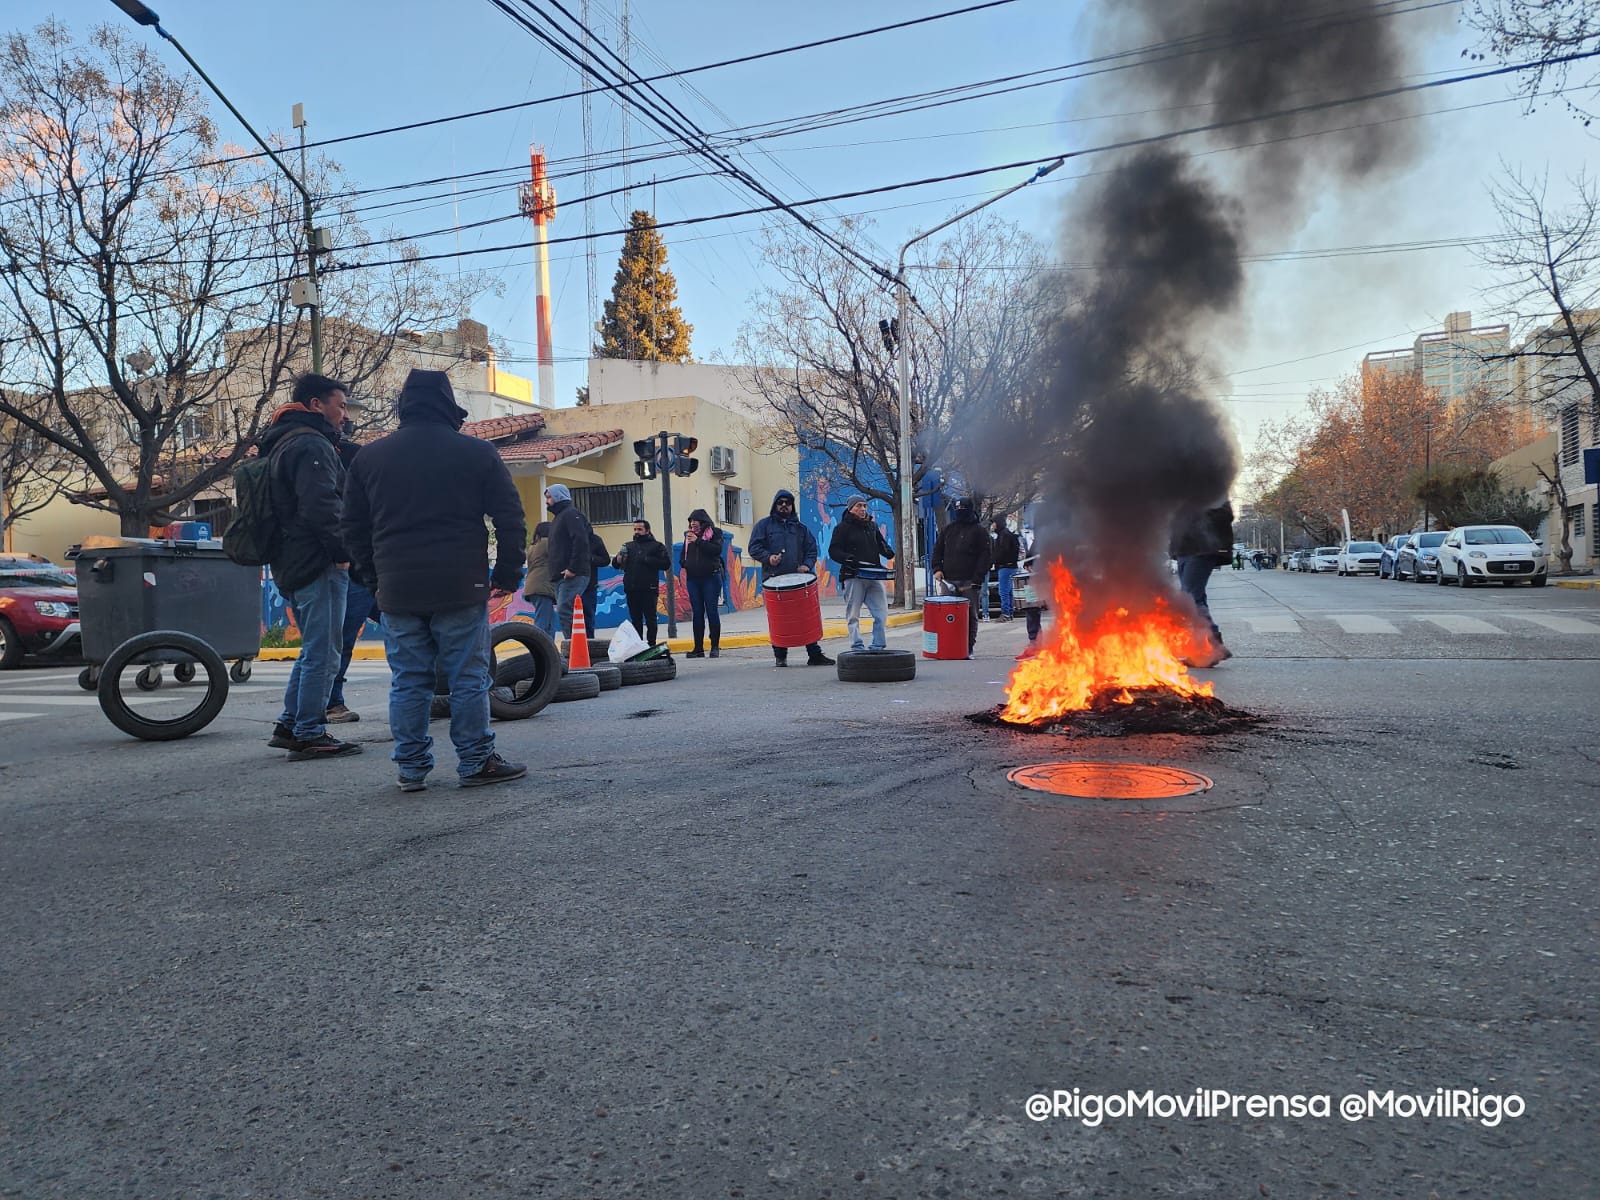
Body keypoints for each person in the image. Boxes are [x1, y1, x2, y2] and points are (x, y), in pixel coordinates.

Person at [342, 369, 528, 790]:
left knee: (409, 680)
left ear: (403, 405)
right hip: (460, 584)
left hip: (398, 587)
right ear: (448, 405)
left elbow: (351, 528)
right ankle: (476, 761)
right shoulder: (477, 454)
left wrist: (374, 578)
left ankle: (410, 769)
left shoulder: (369, 458)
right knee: (468, 678)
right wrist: (508, 572)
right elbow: (510, 518)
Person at [263, 373, 362, 761]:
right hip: (316, 560)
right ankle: (309, 732)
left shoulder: (280, 441)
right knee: (325, 652)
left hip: (291, 559)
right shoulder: (311, 444)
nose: (344, 415)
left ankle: (290, 723)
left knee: (312, 649)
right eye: (340, 405)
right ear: (316, 405)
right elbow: (322, 506)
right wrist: (342, 552)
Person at [747, 489, 833, 667]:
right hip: (774, 580)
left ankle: (814, 654)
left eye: (788, 502)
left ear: (792, 506)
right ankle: (780, 656)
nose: (784, 505)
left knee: (805, 617)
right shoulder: (764, 526)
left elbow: (811, 550)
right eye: (781, 502)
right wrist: (768, 557)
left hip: (799, 581)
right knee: (778, 619)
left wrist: (806, 566)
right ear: (775, 505)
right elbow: (754, 547)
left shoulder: (800, 529)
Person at [326, 427, 376, 724]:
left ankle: (430, 690)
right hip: (356, 576)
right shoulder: (342, 494)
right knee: (341, 641)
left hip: (370, 574)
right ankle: (333, 703)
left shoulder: (356, 492)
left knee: (414, 631)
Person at [1169, 499, 1235, 668]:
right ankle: (1204, 649)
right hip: (1184, 550)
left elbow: (1225, 516)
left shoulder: (1210, 490)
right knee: (1193, 597)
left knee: (1190, 599)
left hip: (1202, 550)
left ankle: (1213, 646)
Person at [827, 494, 894, 652]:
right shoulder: (842, 528)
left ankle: (878, 645)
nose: (863, 509)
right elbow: (833, 550)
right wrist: (847, 558)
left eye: (864, 506)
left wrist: (888, 552)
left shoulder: (872, 526)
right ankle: (856, 645)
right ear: (850, 509)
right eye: (859, 506)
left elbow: (881, 543)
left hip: (874, 575)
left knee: (881, 611)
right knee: (853, 614)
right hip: (853, 576)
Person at [929, 496, 993, 659]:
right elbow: (937, 550)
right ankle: (948, 646)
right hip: (948, 580)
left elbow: (985, 557)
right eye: (957, 509)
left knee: (970, 616)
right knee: (947, 617)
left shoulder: (979, 531)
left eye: (963, 509)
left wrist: (977, 579)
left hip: (970, 582)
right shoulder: (948, 529)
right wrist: (937, 568)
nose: (960, 512)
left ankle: (968, 648)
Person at [544, 483, 593, 645]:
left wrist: (572, 568)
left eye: (549, 497)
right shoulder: (559, 518)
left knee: (566, 608)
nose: (547, 501)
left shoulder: (571, 515)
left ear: (558, 496)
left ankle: (575, 648)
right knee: (565, 610)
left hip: (573, 574)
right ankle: (574, 647)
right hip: (560, 575)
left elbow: (580, 541)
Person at [613, 518, 671, 646]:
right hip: (632, 589)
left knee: (650, 619)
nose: (636, 532)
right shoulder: (628, 546)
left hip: (649, 589)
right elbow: (616, 565)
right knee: (635, 620)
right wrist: (618, 560)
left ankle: (651, 644)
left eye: (640, 529)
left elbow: (666, 564)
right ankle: (637, 645)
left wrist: (647, 559)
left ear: (647, 530)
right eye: (635, 529)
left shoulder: (657, 546)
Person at [680, 508, 725, 657]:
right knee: (697, 613)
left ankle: (715, 646)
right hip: (693, 579)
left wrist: (698, 541)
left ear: (703, 522)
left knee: (711, 611)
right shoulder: (688, 537)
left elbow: (716, 550)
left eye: (695, 521)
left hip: (711, 578)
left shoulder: (715, 533)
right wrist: (685, 564)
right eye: (690, 521)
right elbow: (683, 556)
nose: (692, 524)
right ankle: (698, 648)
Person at [522, 522, 557, 639]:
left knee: (549, 622)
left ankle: (548, 650)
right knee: (543, 623)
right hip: (542, 587)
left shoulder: (533, 546)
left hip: (533, 586)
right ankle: (539, 648)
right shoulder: (547, 543)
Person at [990, 516, 1021, 622]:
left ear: (998, 524)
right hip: (1012, 566)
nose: (992, 525)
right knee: (1009, 591)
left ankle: (1005, 613)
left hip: (1005, 567)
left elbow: (1002, 552)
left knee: (1003, 591)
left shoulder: (1003, 536)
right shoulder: (1008, 535)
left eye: (993, 523)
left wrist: (993, 560)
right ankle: (1010, 613)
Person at [583, 529, 609, 643]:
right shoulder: (568, 538)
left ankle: (589, 642)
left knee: (588, 617)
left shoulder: (595, 540)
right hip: (571, 585)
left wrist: (591, 558)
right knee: (570, 618)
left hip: (589, 586)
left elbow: (605, 560)